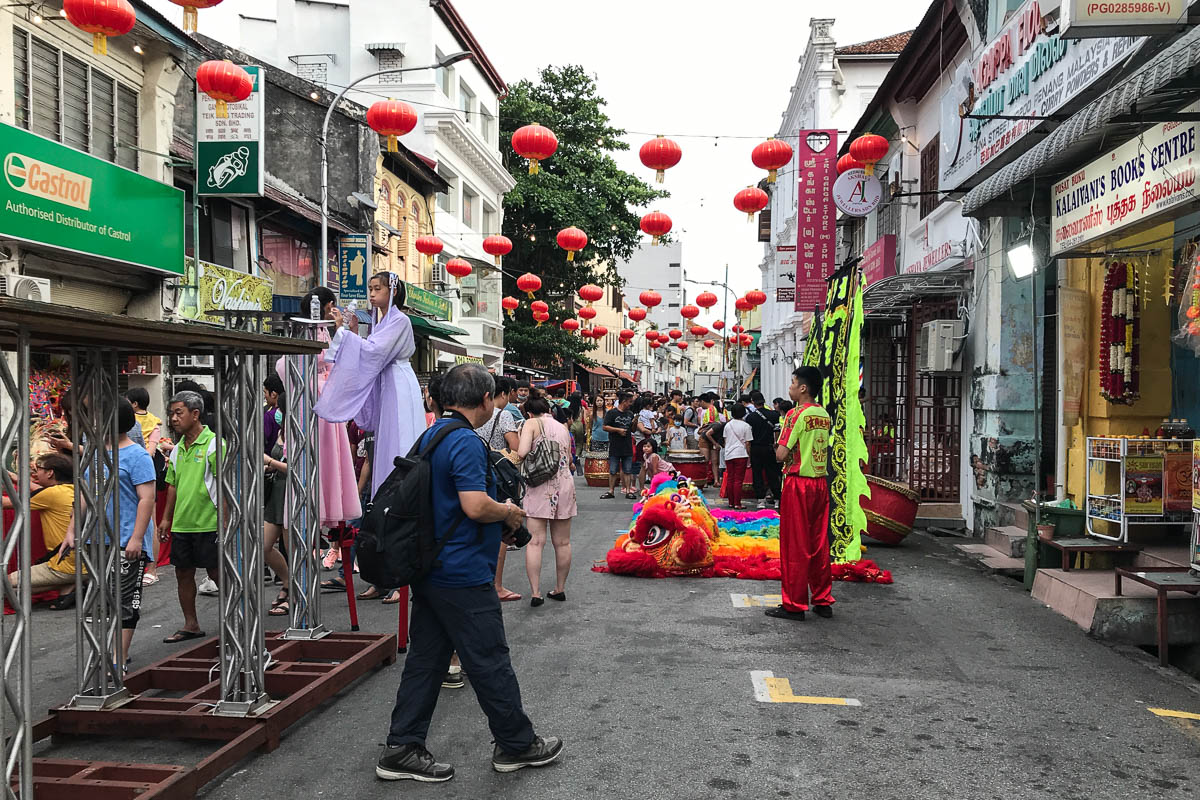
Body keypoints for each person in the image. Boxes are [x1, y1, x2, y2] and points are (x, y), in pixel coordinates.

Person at [378, 364, 562, 782]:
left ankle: (402, 747)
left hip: (433, 567)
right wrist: (510, 512)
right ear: (483, 400)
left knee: (427, 660)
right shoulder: (462, 440)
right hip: (461, 571)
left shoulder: (432, 434)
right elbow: (475, 505)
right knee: (488, 659)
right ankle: (517, 744)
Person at [316, 273, 426, 500]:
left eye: (377, 289)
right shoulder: (382, 322)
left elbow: (374, 352)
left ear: (392, 291)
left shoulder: (400, 320)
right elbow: (371, 350)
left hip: (397, 382)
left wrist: (344, 333)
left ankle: (400, 496)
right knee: (387, 437)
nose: (373, 294)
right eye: (371, 289)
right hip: (388, 380)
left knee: (398, 436)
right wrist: (353, 332)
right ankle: (389, 497)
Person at [65, 399, 154, 669]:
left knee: (126, 600)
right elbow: (83, 494)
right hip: (96, 538)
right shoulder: (93, 453)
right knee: (102, 599)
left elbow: (146, 499)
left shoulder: (137, 456)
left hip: (127, 541)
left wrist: (137, 538)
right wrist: (72, 530)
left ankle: (118, 657)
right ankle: (107, 653)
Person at [769, 366, 834, 622]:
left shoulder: (796, 415)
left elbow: (781, 455)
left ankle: (794, 604)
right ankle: (822, 599)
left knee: (795, 545)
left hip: (798, 484)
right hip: (820, 483)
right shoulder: (823, 414)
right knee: (818, 544)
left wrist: (780, 447)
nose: (790, 387)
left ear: (803, 388)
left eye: (793, 383)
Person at [159, 391, 222, 644]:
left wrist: (225, 521)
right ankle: (191, 624)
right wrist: (166, 519)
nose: (173, 419)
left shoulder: (215, 444)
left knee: (219, 573)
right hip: (183, 524)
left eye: (178, 413)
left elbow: (225, 486)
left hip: (210, 522)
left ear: (195, 414)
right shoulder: (176, 450)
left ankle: (237, 620)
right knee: (183, 573)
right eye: (171, 414)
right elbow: (172, 485)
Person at [516, 391, 576, 606]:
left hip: (540, 485)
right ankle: (560, 589)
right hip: (564, 485)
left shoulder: (530, 424)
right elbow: (569, 459)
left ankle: (535, 593)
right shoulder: (563, 427)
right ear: (549, 410)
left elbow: (522, 452)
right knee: (563, 542)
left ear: (529, 412)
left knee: (535, 542)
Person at [4, 453, 77, 603]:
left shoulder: (50, 495)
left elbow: (7, 503)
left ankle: (71, 582)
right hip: (84, 561)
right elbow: (41, 492)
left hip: (64, 565)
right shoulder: (72, 489)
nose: (35, 473)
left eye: (38, 469)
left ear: (50, 473)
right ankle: (71, 585)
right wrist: (14, 477)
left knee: (5, 584)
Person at [475, 375, 522, 604]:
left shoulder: (470, 413)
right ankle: (497, 585)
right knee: (499, 532)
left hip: (473, 474)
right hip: (495, 476)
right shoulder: (503, 416)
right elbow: (516, 450)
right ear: (501, 394)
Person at [262, 398, 292, 616]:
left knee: (293, 550)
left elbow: (298, 467)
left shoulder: (302, 431)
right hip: (276, 495)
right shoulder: (282, 429)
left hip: (293, 495)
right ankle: (287, 582)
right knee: (263, 546)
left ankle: (296, 594)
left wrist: (270, 462)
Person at [746, 390, 782, 508]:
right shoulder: (774, 415)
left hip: (756, 448)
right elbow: (776, 431)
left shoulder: (750, 417)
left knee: (757, 473)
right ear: (764, 401)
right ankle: (777, 498)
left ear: (753, 402)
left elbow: (749, 436)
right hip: (769, 447)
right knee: (772, 473)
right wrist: (775, 444)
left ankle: (760, 499)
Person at [601, 392, 636, 500]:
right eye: (629, 402)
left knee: (627, 469)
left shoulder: (630, 414)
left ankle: (628, 490)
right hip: (615, 445)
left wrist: (635, 422)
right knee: (613, 470)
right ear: (624, 401)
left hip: (627, 445)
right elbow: (605, 427)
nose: (630, 404)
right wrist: (618, 430)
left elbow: (633, 430)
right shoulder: (612, 413)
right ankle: (611, 490)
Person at [722, 404, 753, 510]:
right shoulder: (746, 426)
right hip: (741, 454)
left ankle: (731, 502)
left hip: (729, 454)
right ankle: (737, 503)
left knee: (730, 478)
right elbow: (748, 443)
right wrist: (749, 456)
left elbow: (725, 441)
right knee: (738, 480)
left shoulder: (728, 425)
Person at [263, 374, 285, 455]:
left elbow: (263, 441)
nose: (265, 396)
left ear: (273, 394)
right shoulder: (291, 414)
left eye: (265, 392)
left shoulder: (269, 416)